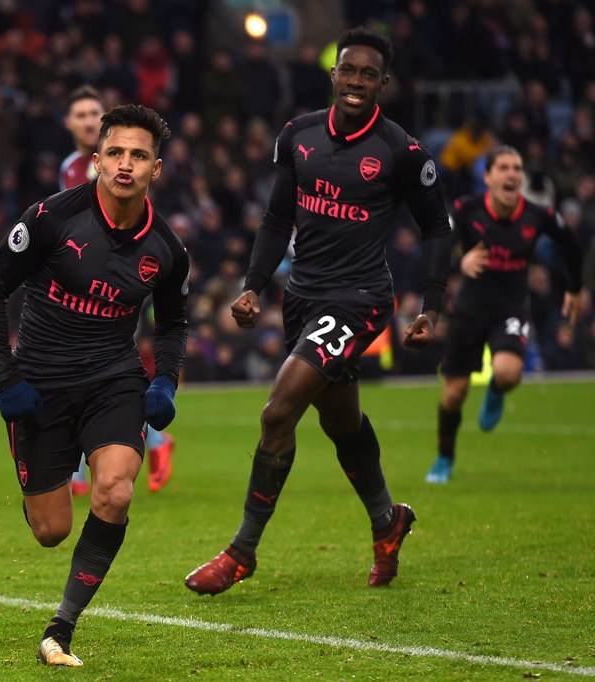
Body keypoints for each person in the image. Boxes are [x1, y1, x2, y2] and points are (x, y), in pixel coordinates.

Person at [184, 27, 452, 595]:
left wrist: (432, 304)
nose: (355, 82)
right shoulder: (298, 136)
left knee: (278, 413)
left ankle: (241, 552)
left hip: (358, 301)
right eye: (347, 70)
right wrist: (254, 284)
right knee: (340, 422)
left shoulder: (401, 152)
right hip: (301, 298)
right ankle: (388, 521)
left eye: (368, 74)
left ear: (383, 83)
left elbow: (435, 227)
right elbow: (277, 218)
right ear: (333, 75)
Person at [0, 105, 188, 666]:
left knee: (115, 491)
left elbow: (172, 324)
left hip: (112, 382)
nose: (125, 164)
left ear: (155, 169)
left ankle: (60, 630)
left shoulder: (167, 249)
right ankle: (35, 467)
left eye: (138, 156)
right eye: (115, 153)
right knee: (50, 531)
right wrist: (7, 380)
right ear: (95, 161)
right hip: (39, 388)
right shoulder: (51, 218)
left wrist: (163, 380)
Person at [425, 146, 581, 483]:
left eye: (517, 168)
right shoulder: (466, 210)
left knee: (509, 373)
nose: (512, 174)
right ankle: (444, 459)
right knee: (454, 393)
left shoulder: (537, 215)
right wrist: (459, 263)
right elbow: (437, 248)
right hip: (469, 308)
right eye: (504, 168)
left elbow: (569, 242)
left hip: (511, 306)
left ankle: (496, 389)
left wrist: (575, 287)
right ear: (488, 177)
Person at [59, 84, 176, 496]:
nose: (90, 120)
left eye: (95, 113)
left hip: (126, 278)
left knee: (112, 363)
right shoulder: (71, 168)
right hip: (86, 276)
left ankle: (151, 440)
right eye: (82, 114)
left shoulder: (121, 162)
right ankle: (80, 463)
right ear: (69, 124)